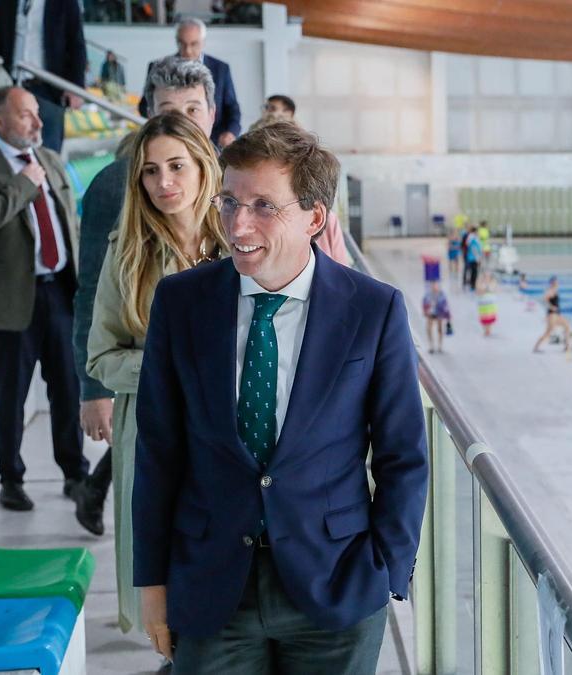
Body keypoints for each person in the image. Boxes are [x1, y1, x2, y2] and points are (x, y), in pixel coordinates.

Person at [133, 121, 429, 672]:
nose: (237, 223)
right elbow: (158, 455)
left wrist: (388, 568)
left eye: (263, 206)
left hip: (336, 586)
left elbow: (403, 455)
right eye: (228, 202)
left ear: (314, 217)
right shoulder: (181, 303)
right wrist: (151, 584)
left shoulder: (373, 309)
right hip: (211, 583)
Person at [86, 112, 227, 634]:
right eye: (149, 171)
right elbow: (101, 357)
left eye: (176, 166)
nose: (163, 183)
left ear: (203, 166)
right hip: (154, 429)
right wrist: (171, 364)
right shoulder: (125, 254)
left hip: (232, 431)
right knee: (164, 572)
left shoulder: (239, 243)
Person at [71, 55, 220, 536]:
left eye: (193, 109)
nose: (164, 182)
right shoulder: (115, 191)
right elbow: (93, 293)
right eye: (166, 107)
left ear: (210, 116)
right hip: (158, 422)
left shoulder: (242, 221)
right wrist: (96, 392)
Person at [0, 86, 88, 511]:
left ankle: (75, 474)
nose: (38, 122)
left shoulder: (50, 159)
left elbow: (71, 222)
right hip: (12, 301)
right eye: (26, 114)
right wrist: (22, 184)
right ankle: (11, 480)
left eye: (36, 113)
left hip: (61, 293)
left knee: (67, 389)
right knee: (10, 395)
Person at [0, 0, 87, 153]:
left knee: (49, 151)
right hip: (12, 86)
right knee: (11, 149)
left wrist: (76, 87)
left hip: (48, 88)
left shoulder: (65, 3)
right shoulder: (6, 3)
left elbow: (76, 43)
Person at [138, 18, 240, 148]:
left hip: (212, 142)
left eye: (194, 44)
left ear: (203, 42)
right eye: (182, 44)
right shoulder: (157, 68)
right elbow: (143, 106)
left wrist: (230, 132)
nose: (188, 50)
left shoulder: (221, 68)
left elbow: (232, 107)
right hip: (169, 141)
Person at [533, 276, 572, 353]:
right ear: (552, 283)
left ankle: (567, 346)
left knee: (567, 326)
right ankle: (536, 347)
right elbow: (544, 300)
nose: (557, 283)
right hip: (552, 315)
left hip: (557, 314)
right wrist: (551, 307)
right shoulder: (550, 291)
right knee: (548, 332)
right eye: (555, 282)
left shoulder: (555, 290)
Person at [422, 280, 449, 353]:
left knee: (440, 329)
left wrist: (447, 315)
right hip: (431, 313)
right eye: (434, 285)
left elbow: (445, 305)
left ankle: (440, 345)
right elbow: (424, 303)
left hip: (439, 313)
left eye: (436, 285)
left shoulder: (441, 294)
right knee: (428, 328)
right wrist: (425, 311)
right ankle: (431, 345)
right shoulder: (428, 294)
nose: (435, 287)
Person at [477, 272, 498, 337]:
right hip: (483, 304)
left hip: (490, 304)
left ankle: (488, 331)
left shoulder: (493, 282)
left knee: (489, 318)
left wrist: (485, 290)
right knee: (484, 319)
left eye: (488, 276)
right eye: (485, 276)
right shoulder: (480, 282)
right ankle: (485, 330)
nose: (487, 277)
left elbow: (494, 290)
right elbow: (479, 292)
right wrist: (485, 290)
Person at [464, 224, 482, 291]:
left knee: (474, 272)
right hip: (473, 258)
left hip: (474, 257)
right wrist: (477, 258)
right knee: (474, 272)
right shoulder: (472, 238)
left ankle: (473, 284)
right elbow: (474, 249)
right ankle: (472, 285)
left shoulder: (473, 237)